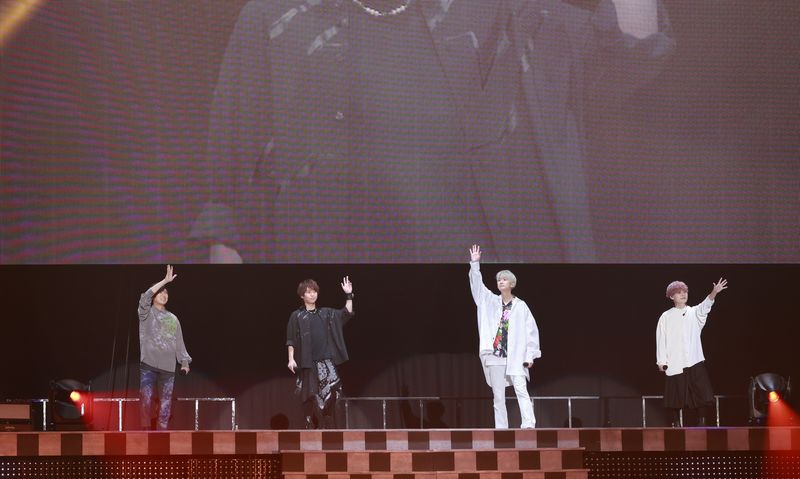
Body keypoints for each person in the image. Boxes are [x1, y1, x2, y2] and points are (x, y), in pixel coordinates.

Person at [192, 0, 674, 263]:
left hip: (472, 333)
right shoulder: (275, 19)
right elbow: (229, 212)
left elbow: (629, 49)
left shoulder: (497, 15)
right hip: (339, 331)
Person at [469, 244, 541, 428]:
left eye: (504, 279)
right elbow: (477, 288)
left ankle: (529, 423)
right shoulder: (489, 301)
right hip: (495, 354)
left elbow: (531, 332)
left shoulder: (521, 306)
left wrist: (530, 356)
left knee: (521, 389)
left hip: (515, 355)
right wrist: (475, 265)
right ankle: (501, 429)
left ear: (511, 284)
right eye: (499, 280)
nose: (500, 282)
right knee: (498, 396)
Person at [656, 277, 728, 427]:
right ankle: (675, 424)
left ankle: (702, 422)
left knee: (701, 392)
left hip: (694, 360)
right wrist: (662, 361)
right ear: (671, 296)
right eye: (679, 292)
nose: (683, 294)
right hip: (675, 362)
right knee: (675, 396)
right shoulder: (666, 316)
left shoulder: (694, 312)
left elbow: (706, 305)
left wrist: (714, 292)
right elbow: (661, 339)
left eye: (685, 291)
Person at [286, 276, 354, 429]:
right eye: (309, 292)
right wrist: (291, 359)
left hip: (326, 360)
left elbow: (346, 313)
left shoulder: (326, 313)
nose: (312, 294)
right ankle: (308, 423)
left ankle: (327, 422)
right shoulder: (296, 316)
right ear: (302, 295)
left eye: (314, 291)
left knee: (333, 390)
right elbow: (291, 339)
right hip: (308, 362)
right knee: (309, 393)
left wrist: (348, 295)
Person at [138, 265, 192, 430]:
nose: (164, 295)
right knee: (146, 399)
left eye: (166, 293)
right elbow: (145, 297)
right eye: (160, 292)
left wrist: (184, 362)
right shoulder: (146, 313)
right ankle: (146, 430)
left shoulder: (173, 319)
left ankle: (162, 432)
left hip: (168, 368)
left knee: (166, 403)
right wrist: (165, 281)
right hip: (148, 365)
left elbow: (179, 342)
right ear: (154, 296)